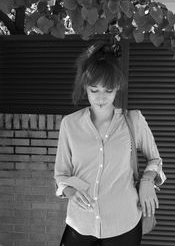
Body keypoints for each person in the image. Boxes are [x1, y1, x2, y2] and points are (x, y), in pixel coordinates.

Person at [54, 41, 166, 246]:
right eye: (94, 90)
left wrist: (148, 180)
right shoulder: (69, 124)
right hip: (80, 224)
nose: (100, 98)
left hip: (124, 223)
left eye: (108, 90)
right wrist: (70, 191)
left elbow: (155, 159)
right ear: (85, 88)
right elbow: (61, 174)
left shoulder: (133, 121)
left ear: (117, 88)